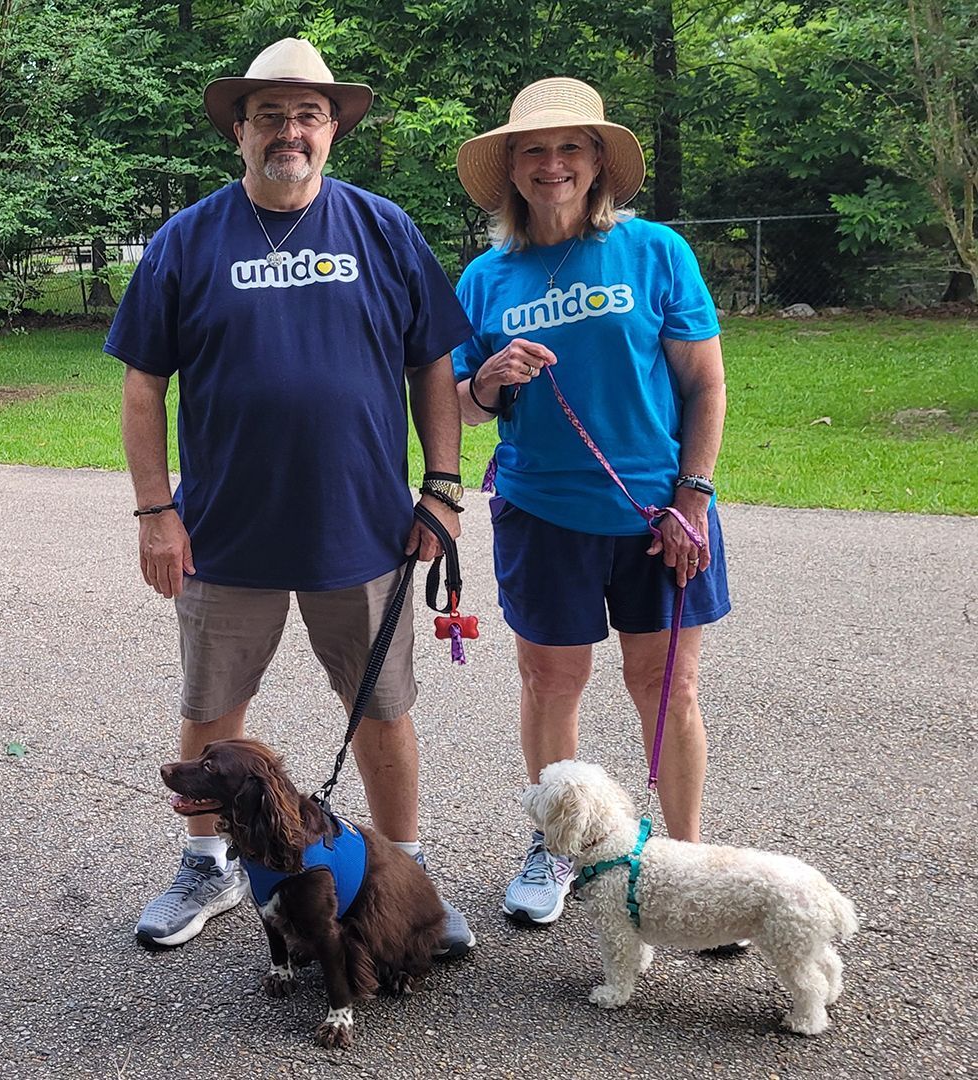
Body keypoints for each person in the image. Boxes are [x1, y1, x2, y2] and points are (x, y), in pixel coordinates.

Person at [105, 38, 475, 956]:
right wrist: (157, 510)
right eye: (268, 115)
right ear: (239, 131)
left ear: (333, 132)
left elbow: (434, 361)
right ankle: (207, 866)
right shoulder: (187, 240)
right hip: (225, 531)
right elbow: (143, 382)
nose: (290, 131)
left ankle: (406, 869)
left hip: (363, 526)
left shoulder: (384, 230)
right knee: (212, 704)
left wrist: (441, 485)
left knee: (382, 709)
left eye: (308, 115)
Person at [452, 78, 730, 927]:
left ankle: (684, 864)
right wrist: (490, 380)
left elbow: (705, 383)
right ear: (510, 170)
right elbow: (458, 405)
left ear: (599, 162)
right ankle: (556, 850)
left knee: (668, 688)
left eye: (571, 147)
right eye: (533, 150)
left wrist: (693, 495)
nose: (552, 163)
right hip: (542, 511)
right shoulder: (484, 277)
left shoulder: (655, 252)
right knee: (550, 682)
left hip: (659, 514)